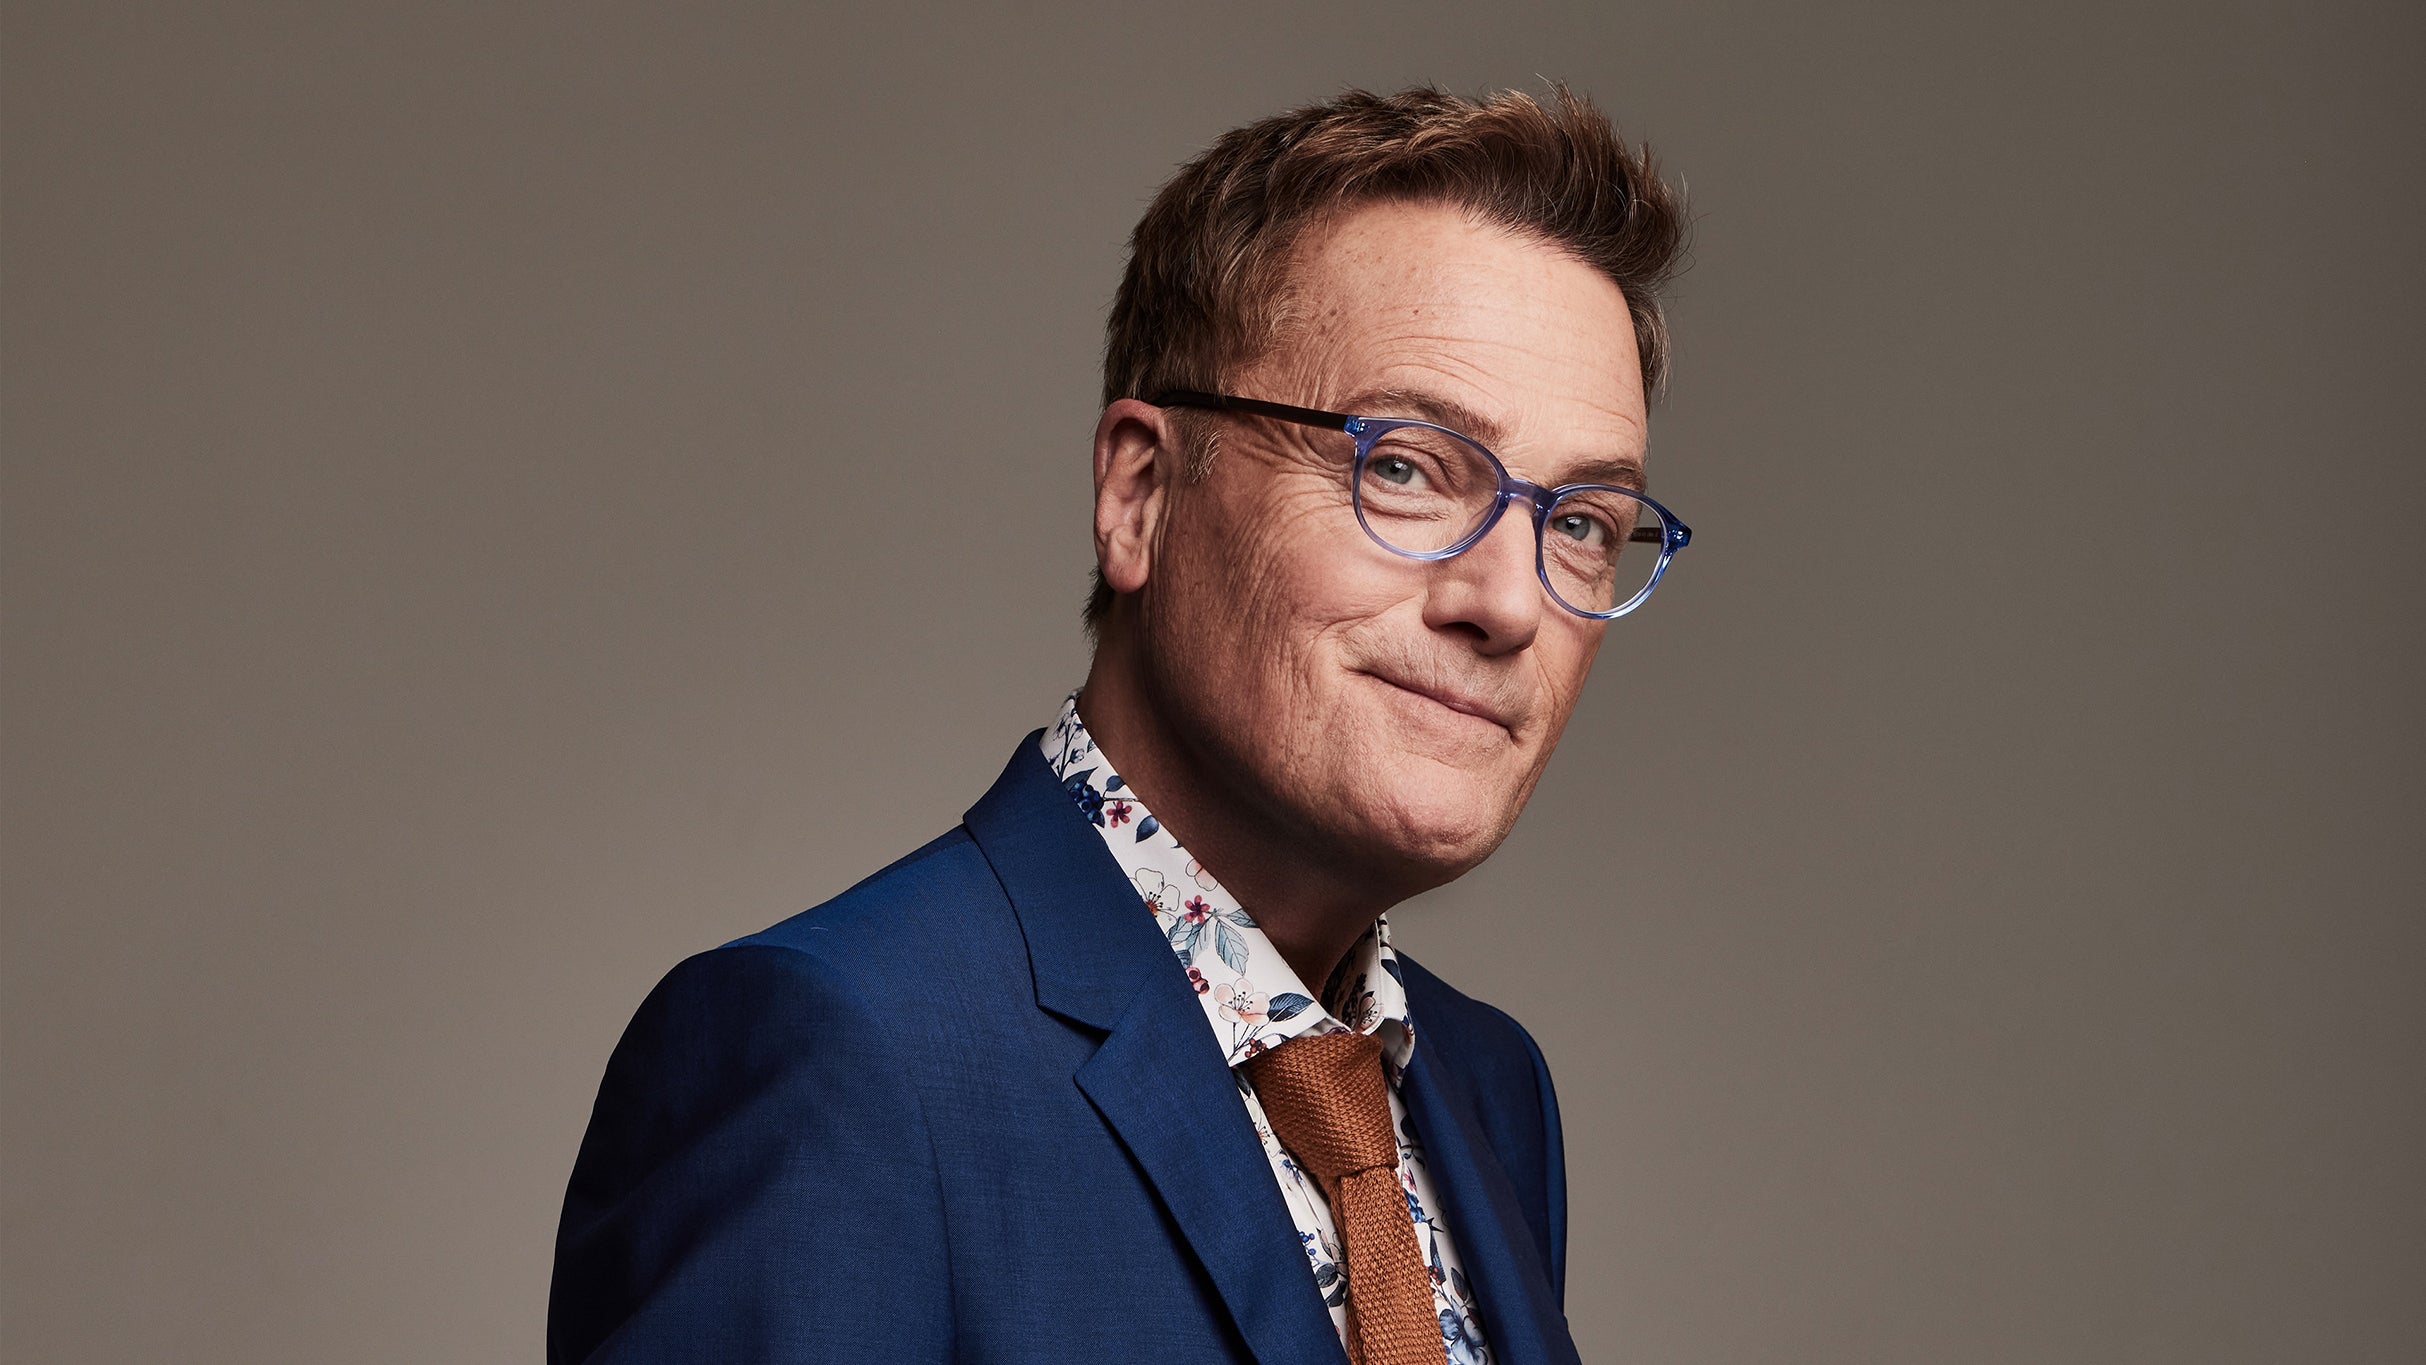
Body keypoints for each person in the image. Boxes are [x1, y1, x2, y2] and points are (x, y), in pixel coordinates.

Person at [547, 84, 1689, 1365]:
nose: (1508, 603)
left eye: (1578, 523)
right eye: (1407, 468)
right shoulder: (839, 1060)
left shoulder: (1488, 1092)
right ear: (1140, 494)